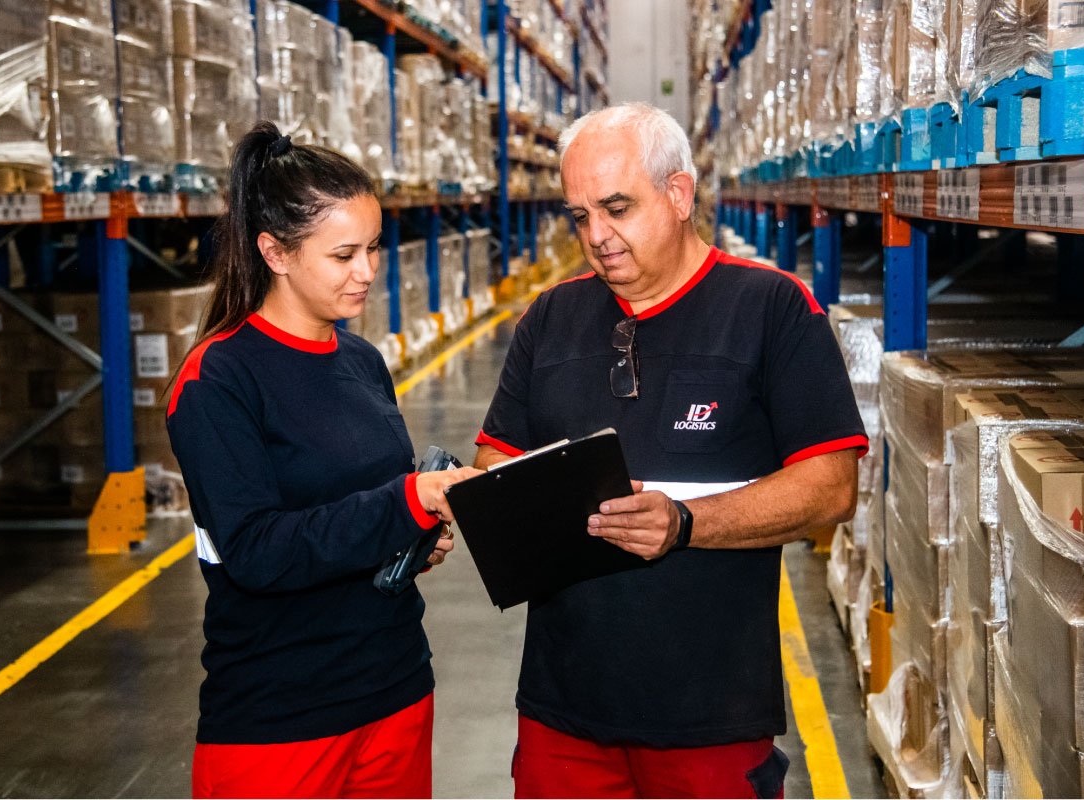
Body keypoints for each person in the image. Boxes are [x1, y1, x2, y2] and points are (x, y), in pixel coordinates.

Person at [474, 103, 868, 799]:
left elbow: (831, 487)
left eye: (617, 207)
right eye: (580, 216)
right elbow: (494, 467)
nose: (597, 236)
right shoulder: (551, 319)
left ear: (679, 194)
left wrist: (686, 524)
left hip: (709, 715)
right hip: (563, 713)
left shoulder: (772, 309)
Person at [168, 121, 481, 799]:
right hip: (282, 715)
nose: (367, 271)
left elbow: (359, 508)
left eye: (372, 247)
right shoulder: (219, 380)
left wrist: (410, 537)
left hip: (395, 686)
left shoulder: (363, 362)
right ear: (275, 252)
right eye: (343, 255)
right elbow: (254, 549)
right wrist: (409, 502)